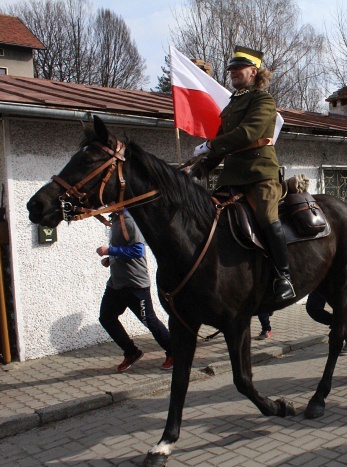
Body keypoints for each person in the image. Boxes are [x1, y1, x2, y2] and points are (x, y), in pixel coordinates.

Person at [195, 45, 295, 302]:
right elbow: (223, 141)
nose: (233, 73)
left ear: (254, 71)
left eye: (238, 68)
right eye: (231, 69)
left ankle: (284, 276)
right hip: (232, 176)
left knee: (266, 216)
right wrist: (201, 168)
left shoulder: (263, 100)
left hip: (259, 173)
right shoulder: (232, 104)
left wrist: (211, 145)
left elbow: (247, 134)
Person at [96, 211, 173, 372]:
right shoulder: (116, 220)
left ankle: (174, 352)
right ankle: (131, 352)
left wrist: (110, 251)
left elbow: (138, 250)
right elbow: (123, 247)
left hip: (135, 284)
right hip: (116, 284)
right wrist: (110, 260)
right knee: (106, 318)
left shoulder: (130, 220)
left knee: (149, 321)